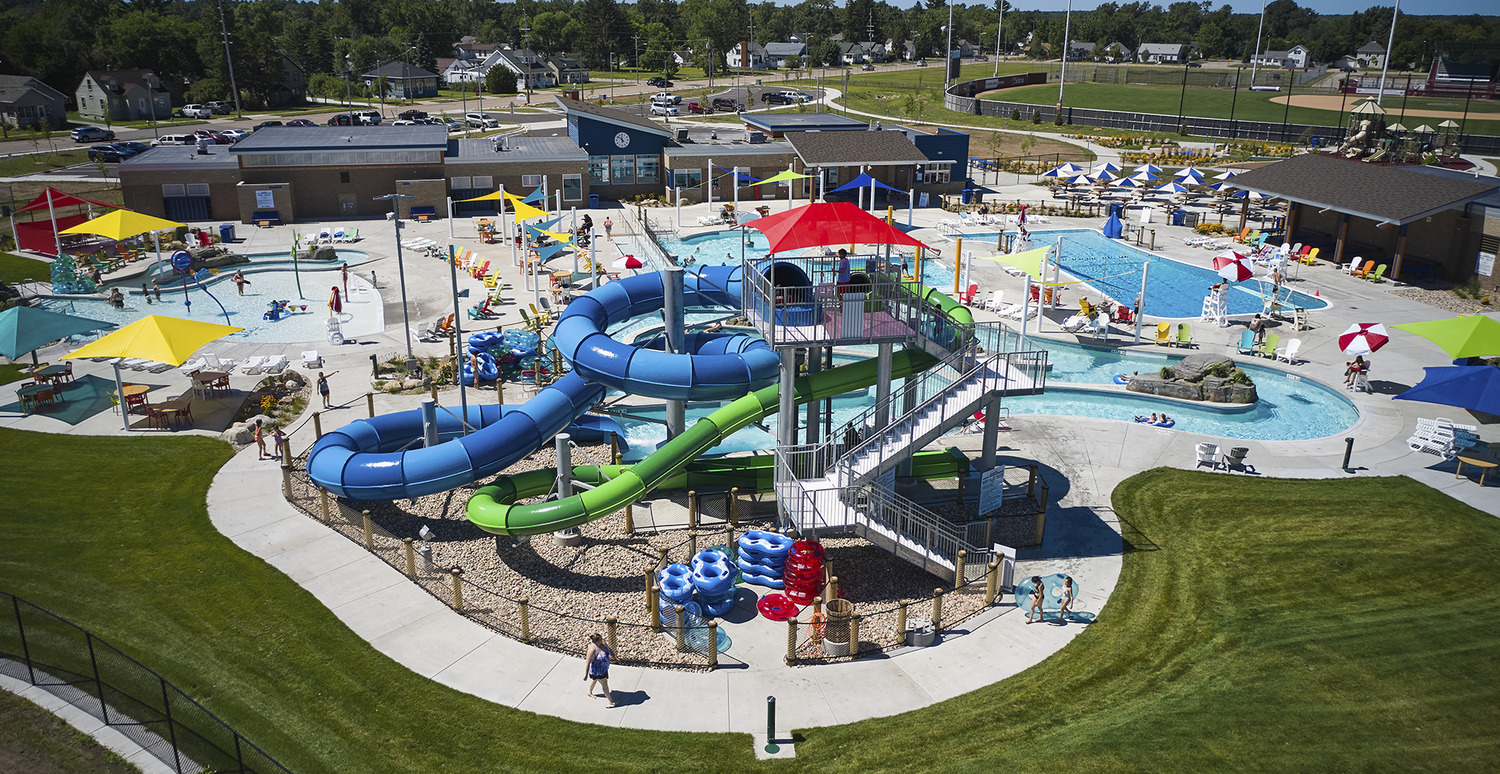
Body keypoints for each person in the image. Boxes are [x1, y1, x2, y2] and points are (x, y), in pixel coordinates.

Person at [584, 632, 616, 707]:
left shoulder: (603, 643)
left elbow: (609, 649)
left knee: (594, 680)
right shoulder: (592, 650)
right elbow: (588, 663)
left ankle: (589, 692)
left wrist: (614, 656)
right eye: (600, 640)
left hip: (604, 668)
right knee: (604, 684)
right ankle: (611, 701)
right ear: (595, 642)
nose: (602, 640)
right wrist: (585, 675)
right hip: (597, 671)